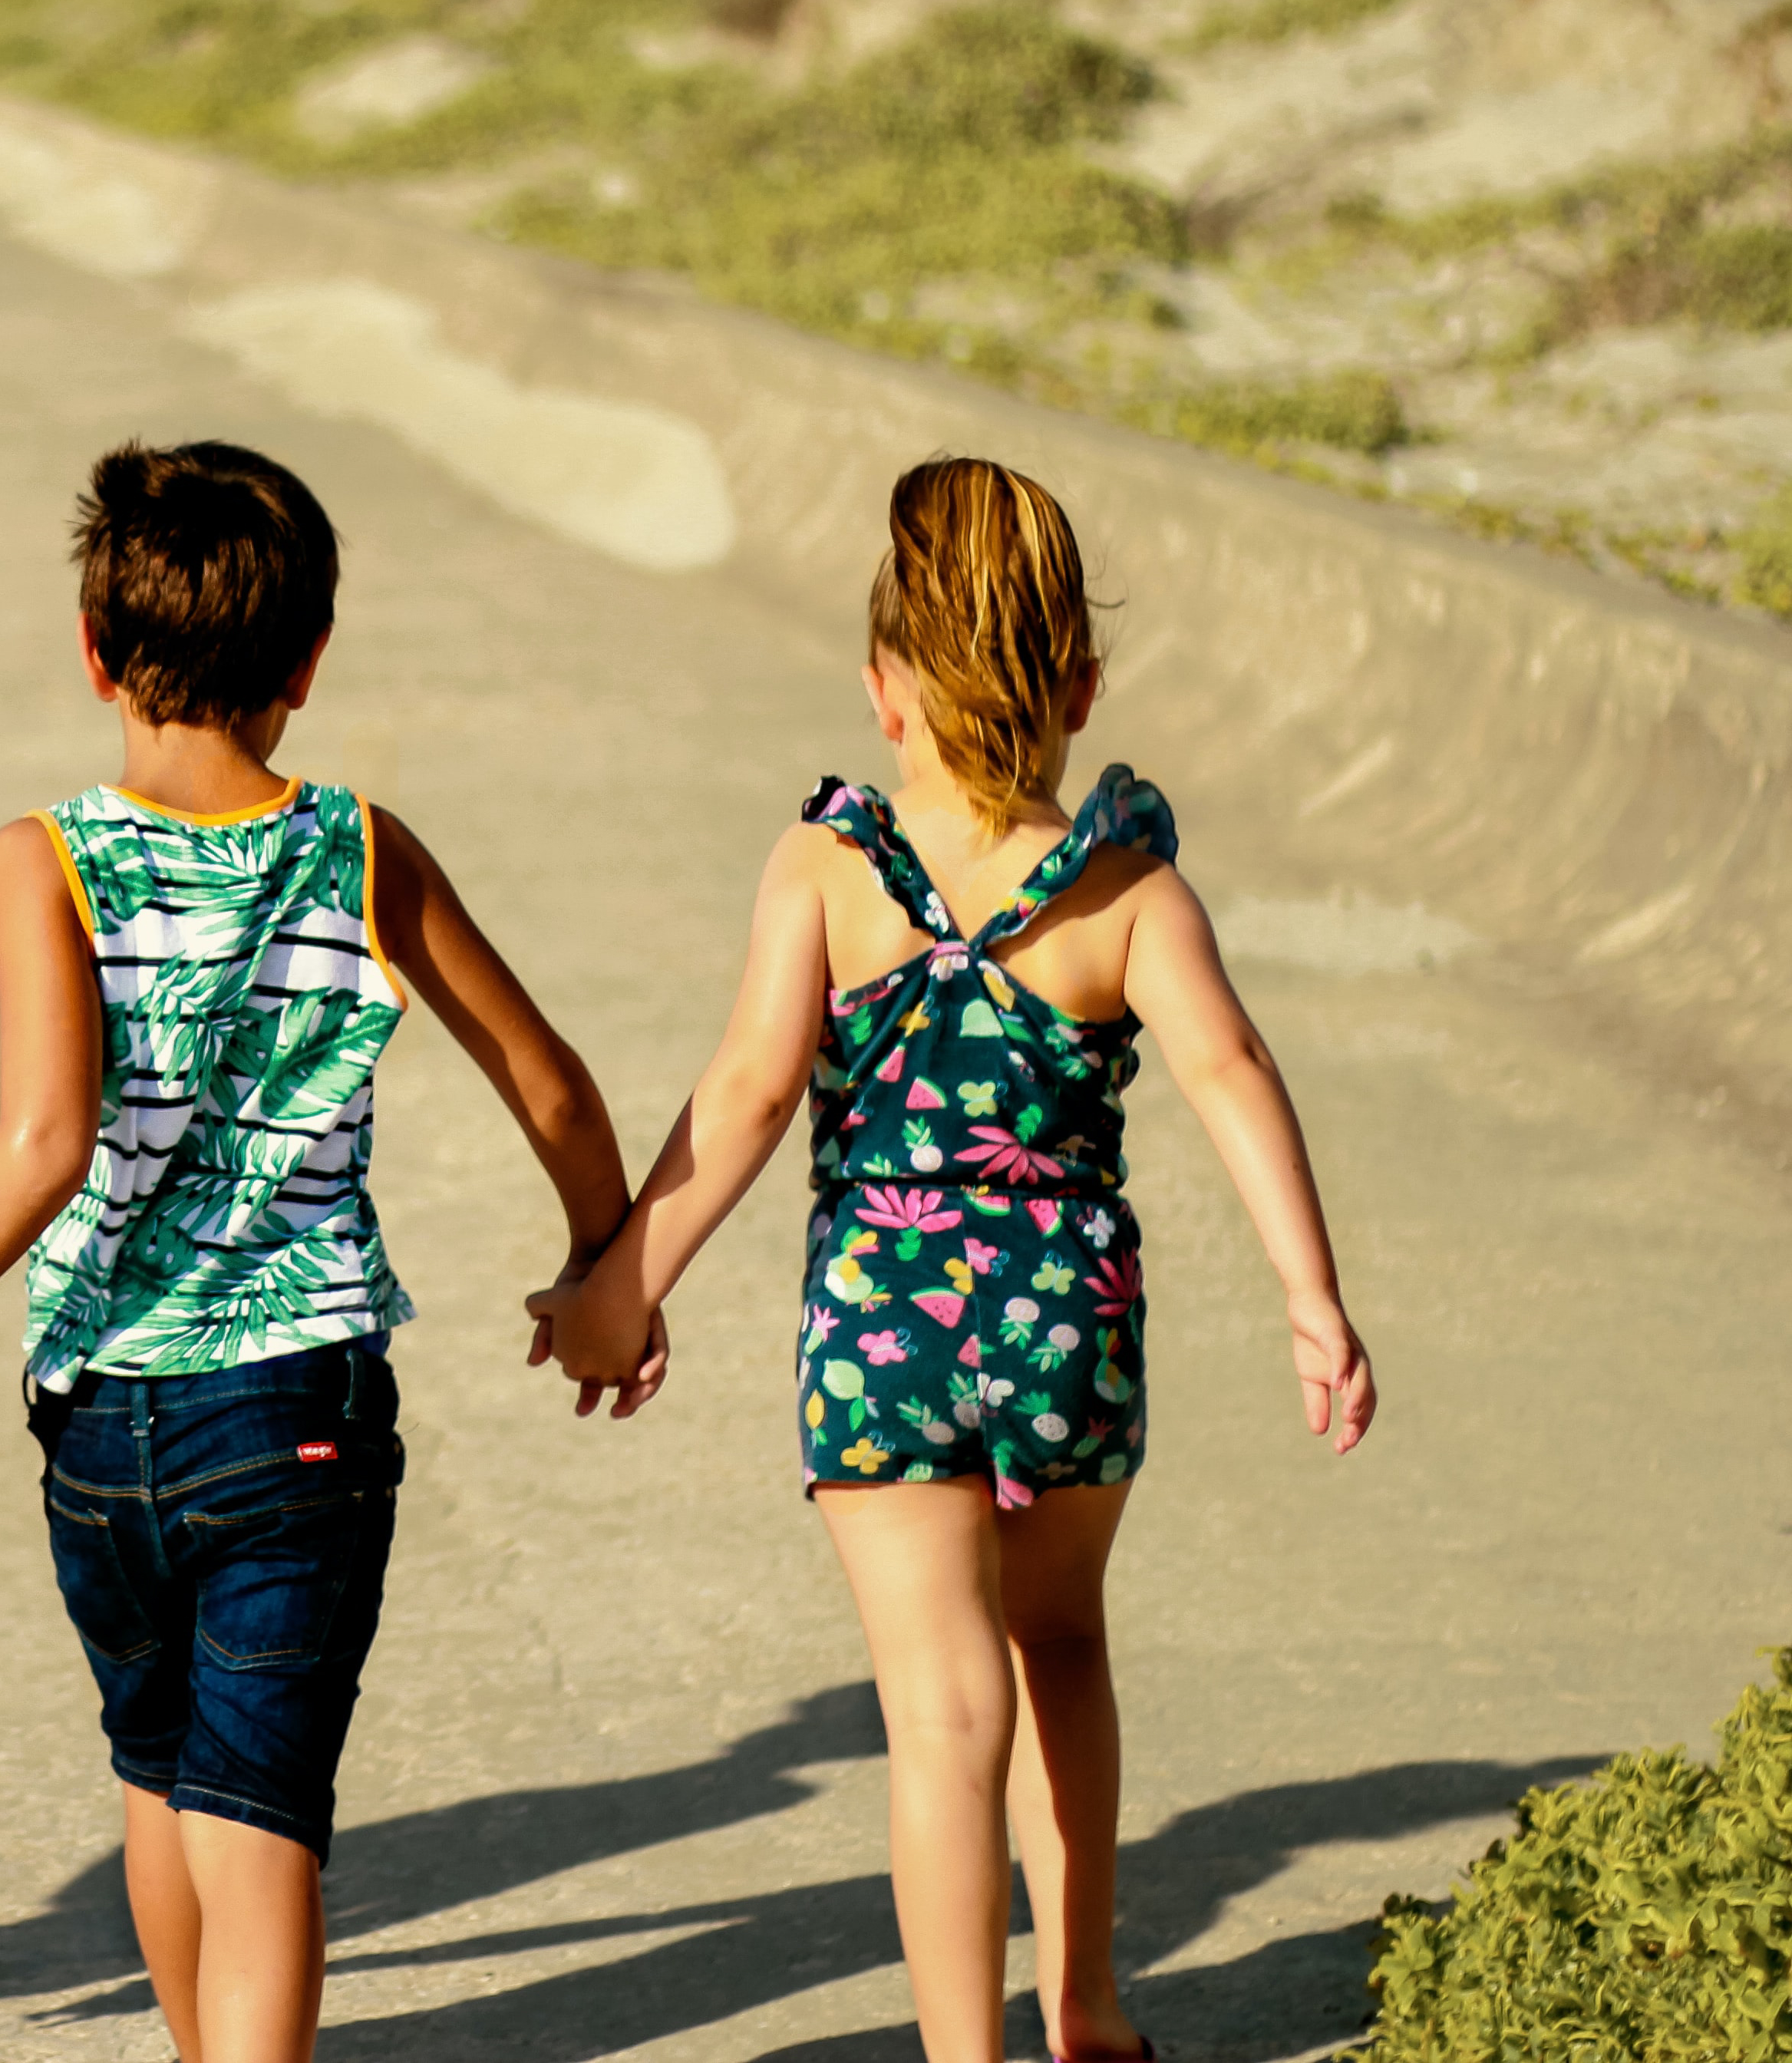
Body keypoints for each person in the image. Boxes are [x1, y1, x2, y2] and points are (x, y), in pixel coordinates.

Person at [535, 457, 1382, 2063]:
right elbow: (1232, 1072)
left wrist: (620, 1286)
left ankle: (960, 2051)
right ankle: (1089, 2007)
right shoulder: (1128, 886)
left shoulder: (829, 869)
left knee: (939, 1707)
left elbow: (750, 1093)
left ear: (881, 691)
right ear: (1080, 681)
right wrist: (1310, 1297)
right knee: (1059, 1643)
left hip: (882, 1334)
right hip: (1071, 1324)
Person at [0, 440, 646, 2063]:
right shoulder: (361, 845)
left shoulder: (39, 856)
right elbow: (547, 1077)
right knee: (258, 1801)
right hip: (296, 1407)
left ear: (94, 650)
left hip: (101, 1417)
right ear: (307, 663)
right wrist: (600, 1269)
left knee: (156, 1767)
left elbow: (44, 1139)